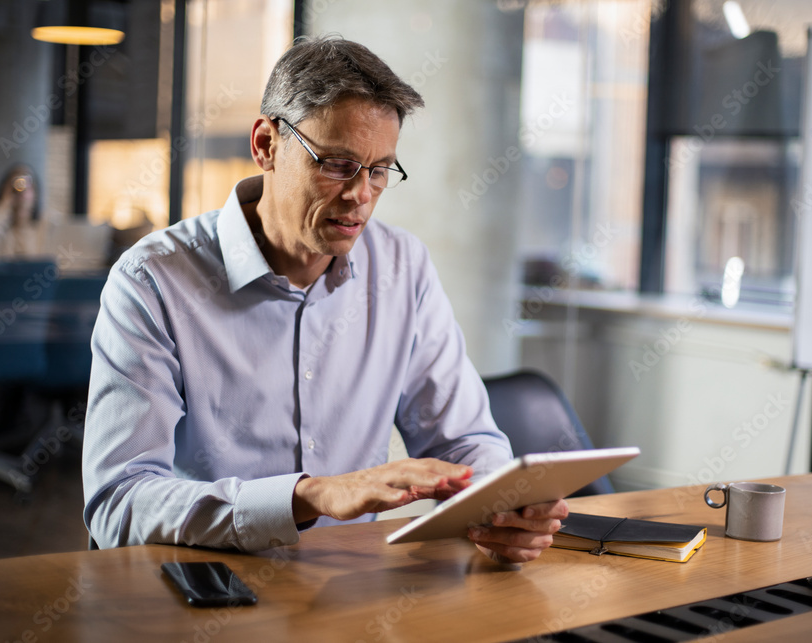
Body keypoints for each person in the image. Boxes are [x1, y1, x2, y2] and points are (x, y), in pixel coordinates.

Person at [82, 36, 567, 563]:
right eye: (337, 164)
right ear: (266, 144)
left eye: (379, 170)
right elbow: (119, 503)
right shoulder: (153, 280)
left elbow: (464, 441)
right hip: (205, 589)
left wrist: (501, 506)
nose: (360, 194)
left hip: (353, 592)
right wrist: (307, 497)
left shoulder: (403, 268)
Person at [0, 164, 48, 263]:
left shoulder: (46, 224)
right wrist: (4, 205)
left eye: (28, 185)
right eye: (15, 184)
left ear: (36, 192)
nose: (21, 190)